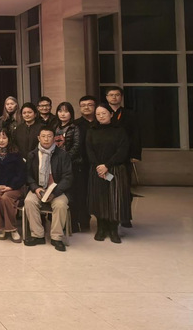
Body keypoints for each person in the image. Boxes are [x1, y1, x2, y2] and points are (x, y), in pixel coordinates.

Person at [24, 127, 74, 252]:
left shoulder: (62, 155)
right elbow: (28, 175)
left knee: (60, 205)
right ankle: (38, 235)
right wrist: (35, 188)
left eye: (49, 136)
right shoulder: (32, 155)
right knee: (29, 201)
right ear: (38, 138)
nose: (46, 139)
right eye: (43, 136)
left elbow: (68, 177)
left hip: (57, 190)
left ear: (54, 138)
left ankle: (56, 238)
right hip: (39, 188)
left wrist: (54, 192)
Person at [87, 104, 131, 244]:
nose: (101, 116)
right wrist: (99, 166)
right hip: (97, 169)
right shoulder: (92, 130)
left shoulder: (119, 131)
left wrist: (107, 165)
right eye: (98, 114)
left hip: (115, 169)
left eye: (104, 113)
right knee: (99, 199)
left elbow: (122, 150)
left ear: (111, 114)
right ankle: (101, 228)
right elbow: (89, 150)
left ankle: (113, 230)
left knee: (114, 199)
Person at [106, 86, 142, 228]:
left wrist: (135, 154)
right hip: (106, 157)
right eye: (111, 95)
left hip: (125, 157)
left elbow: (136, 135)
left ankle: (125, 216)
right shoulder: (103, 113)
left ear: (121, 97)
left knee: (125, 187)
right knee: (108, 184)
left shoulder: (129, 114)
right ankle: (109, 217)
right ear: (107, 97)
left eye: (117, 95)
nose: (114, 97)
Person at [0, 128, 26, 242]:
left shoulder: (16, 154)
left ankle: (12, 228)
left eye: (4, 137)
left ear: (9, 139)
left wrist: (11, 186)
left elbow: (21, 174)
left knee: (5, 197)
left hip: (14, 188)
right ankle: (0, 228)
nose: (1, 140)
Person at [72, 95, 97, 232]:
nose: (86, 107)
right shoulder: (75, 124)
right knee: (81, 193)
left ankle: (104, 223)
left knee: (97, 193)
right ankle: (83, 220)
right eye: (83, 105)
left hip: (99, 165)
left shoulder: (100, 122)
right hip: (81, 165)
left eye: (90, 105)